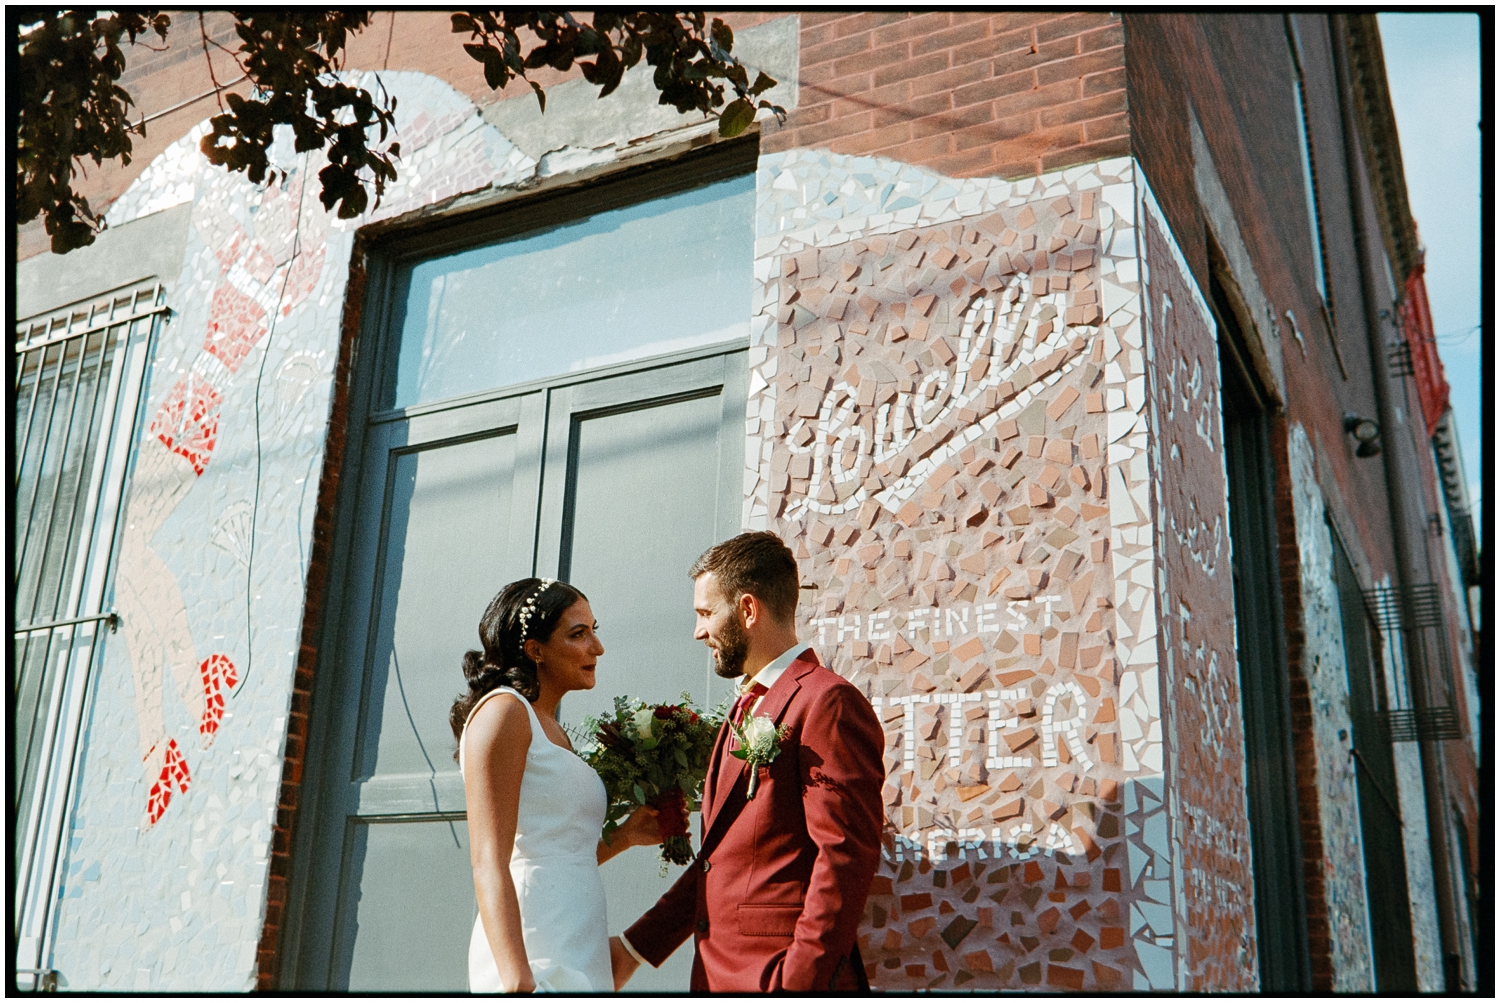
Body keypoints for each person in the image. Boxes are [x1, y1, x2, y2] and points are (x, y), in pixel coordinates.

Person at [611, 532, 887, 992]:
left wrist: (796, 982)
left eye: (705, 613)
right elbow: (718, 862)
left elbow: (844, 857)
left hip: (777, 980)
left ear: (747, 609)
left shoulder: (826, 702)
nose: (698, 631)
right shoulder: (744, 708)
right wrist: (636, 948)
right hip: (718, 978)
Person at [451, 577, 662, 993]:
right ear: (536, 650)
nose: (597, 648)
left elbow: (554, 852)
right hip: (535, 945)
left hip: (578, 937)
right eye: (578, 634)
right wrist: (515, 978)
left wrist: (625, 837)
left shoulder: (554, 731)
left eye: (594, 631)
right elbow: (488, 860)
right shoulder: (504, 713)